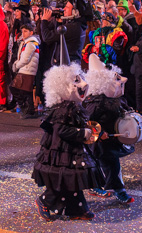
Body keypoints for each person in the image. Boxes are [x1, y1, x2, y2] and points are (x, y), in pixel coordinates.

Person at [32, 43, 97, 221]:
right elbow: (61, 130)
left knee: (73, 178)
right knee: (65, 178)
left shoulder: (73, 106)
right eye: (76, 81)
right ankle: (45, 201)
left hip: (71, 149)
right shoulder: (62, 109)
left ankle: (77, 210)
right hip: (61, 149)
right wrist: (82, 133)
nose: (83, 83)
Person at [83, 54, 136, 205]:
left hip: (111, 138)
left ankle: (117, 189)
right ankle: (102, 187)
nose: (122, 81)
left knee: (111, 162)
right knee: (99, 162)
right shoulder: (96, 102)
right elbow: (87, 121)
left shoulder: (113, 99)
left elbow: (122, 108)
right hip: (99, 139)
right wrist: (99, 133)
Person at [10, 20, 40, 118]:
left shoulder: (30, 43)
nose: (23, 33)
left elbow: (25, 59)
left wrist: (16, 65)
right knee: (25, 91)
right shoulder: (26, 42)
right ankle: (28, 110)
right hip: (25, 70)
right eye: (22, 31)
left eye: (25, 31)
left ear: (31, 32)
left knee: (20, 90)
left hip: (27, 70)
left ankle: (27, 109)